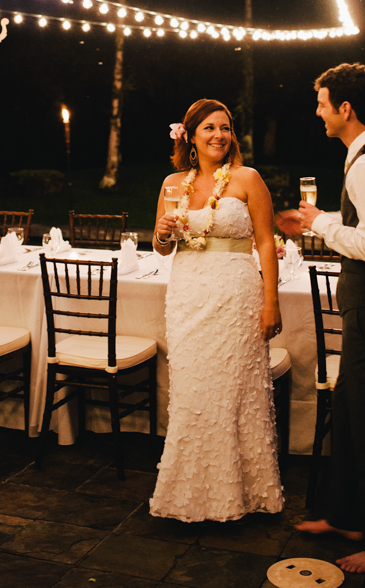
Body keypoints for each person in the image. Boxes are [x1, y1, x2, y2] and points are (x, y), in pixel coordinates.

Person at [276, 62, 365, 574]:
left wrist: (323, 229)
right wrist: (318, 223)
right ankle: (348, 516)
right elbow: (364, 226)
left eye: (322, 102)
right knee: (354, 413)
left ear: (345, 108)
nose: (318, 111)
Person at [149, 98, 283, 522]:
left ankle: (243, 495)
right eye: (209, 127)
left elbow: (265, 242)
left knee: (236, 394)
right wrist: (162, 232)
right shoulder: (173, 184)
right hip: (188, 295)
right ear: (189, 135)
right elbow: (161, 247)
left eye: (225, 127)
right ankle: (186, 497)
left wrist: (271, 301)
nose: (219, 135)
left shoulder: (247, 179)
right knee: (192, 394)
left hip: (236, 295)